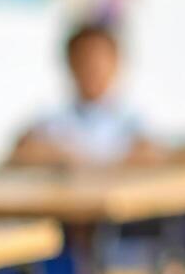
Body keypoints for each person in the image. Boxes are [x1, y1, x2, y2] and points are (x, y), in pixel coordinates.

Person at [9, 21, 165, 167]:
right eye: (85, 61)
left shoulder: (133, 121)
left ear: (116, 63)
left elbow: (156, 156)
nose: (93, 70)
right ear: (70, 64)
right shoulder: (51, 120)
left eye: (100, 62)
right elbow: (18, 155)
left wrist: (85, 161)